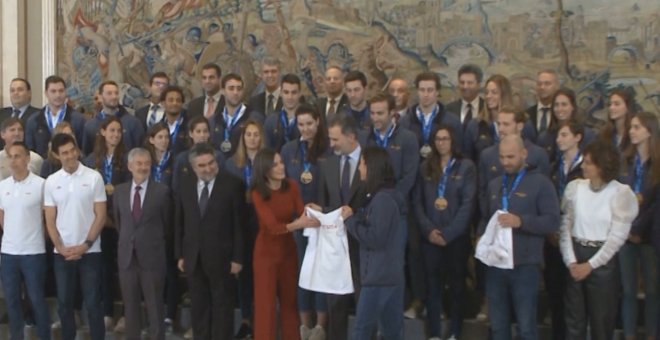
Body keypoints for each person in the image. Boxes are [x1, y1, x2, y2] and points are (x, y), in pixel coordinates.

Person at [479, 135, 560, 340]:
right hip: (496, 266)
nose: (505, 162)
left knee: (526, 327)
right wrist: (482, 239)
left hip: (525, 266)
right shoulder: (495, 185)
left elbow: (552, 221)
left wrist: (521, 221)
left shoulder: (541, 183)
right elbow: (487, 218)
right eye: (502, 157)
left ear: (524, 154)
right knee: (497, 326)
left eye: (511, 157)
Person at [559, 140, 638, 340]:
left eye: (588, 163)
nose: (583, 166)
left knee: (601, 323)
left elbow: (616, 238)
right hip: (576, 255)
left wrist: (591, 265)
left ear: (602, 166)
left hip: (602, 263)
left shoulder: (620, 193)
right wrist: (571, 261)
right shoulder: (576, 188)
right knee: (574, 322)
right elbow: (565, 227)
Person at [174, 142, 246, 339]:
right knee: (198, 307)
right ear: (193, 167)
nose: (208, 168)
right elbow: (180, 221)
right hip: (193, 257)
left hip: (223, 258)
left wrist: (238, 259)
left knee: (223, 308)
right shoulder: (185, 183)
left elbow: (240, 225)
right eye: (202, 165)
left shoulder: (233, 184)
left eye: (211, 163)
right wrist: (180, 254)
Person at [413, 125, 476, 339]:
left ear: (453, 141)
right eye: (437, 139)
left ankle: (455, 333)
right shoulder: (425, 167)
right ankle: (434, 333)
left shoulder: (465, 167)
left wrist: (448, 234)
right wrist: (430, 231)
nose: (441, 143)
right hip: (430, 238)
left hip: (455, 239)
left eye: (445, 138)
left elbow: (467, 205)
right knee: (432, 287)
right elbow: (418, 203)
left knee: (457, 286)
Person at [251, 148, 321, 340]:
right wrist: (298, 224)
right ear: (264, 168)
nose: (281, 167)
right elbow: (272, 227)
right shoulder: (257, 192)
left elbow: (300, 211)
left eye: (281, 162)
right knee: (266, 306)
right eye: (275, 164)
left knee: (290, 303)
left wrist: (315, 213)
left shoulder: (291, 185)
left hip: (288, 251)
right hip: (266, 254)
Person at [43, 133, 107, 340]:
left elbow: (101, 215)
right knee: (64, 304)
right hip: (62, 253)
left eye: (72, 151)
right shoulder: (51, 182)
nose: (70, 156)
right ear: (56, 155)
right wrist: (60, 247)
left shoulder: (94, 177)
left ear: (77, 150)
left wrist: (86, 244)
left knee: (93, 303)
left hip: (90, 251)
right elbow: (50, 220)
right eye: (64, 153)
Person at [339, 146, 405, 340]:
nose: (359, 169)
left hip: (378, 277)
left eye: (361, 164)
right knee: (391, 333)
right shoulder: (383, 197)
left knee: (362, 332)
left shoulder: (383, 199)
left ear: (371, 167)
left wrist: (350, 221)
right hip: (388, 276)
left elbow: (375, 238)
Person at [315, 114, 368, 340]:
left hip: (363, 241)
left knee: (364, 300)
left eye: (336, 139)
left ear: (351, 136)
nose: (331, 144)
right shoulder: (328, 164)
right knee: (335, 303)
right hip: (335, 244)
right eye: (330, 139)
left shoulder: (371, 161)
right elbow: (325, 203)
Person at [280, 104, 330, 339]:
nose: (305, 128)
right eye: (301, 124)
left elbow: (332, 185)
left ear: (318, 121)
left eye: (309, 123)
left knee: (320, 271)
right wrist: (297, 215)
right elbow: (283, 185)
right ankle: (304, 327)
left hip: (323, 221)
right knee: (302, 270)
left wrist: (322, 212)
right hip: (298, 220)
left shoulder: (328, 149)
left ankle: (320, 327)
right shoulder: (289, 149)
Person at [113, 147, 173, 340]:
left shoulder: (162, 191)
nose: (143, 167)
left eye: (147, 163)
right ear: (130, 166)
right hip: (127, 259)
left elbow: (167, 224)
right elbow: (119, 222)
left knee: (155, 308)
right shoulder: (120, 192)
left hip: (152, 258)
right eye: (139, 163)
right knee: (130, 309)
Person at [82, 115, 130, 331]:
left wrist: (117, 217)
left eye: (119, 131)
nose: (115, 135)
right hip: (101, 222)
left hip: (123, 222)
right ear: (102, 132)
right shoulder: (92, 160)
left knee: (127, 268)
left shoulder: (128, 157)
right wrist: (103, 217)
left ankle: (128, 315)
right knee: (105, 269)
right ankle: (108, 312)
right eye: (111, 130)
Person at [0, 142, 51, 340]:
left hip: (33, 252)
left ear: (28, 158)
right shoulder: (2, 186)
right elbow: (2, 216)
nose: (14, 161)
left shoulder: (41, 184)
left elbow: (48, 217)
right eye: (10, 157)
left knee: (37, 299)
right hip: (9, 253)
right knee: (12, 301)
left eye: (18, 156)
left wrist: (38, 237)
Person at [619, 111, 659, 340]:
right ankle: (629, 334)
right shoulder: (626, 162)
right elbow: (619, 198)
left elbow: (655, 205)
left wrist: (638, 229)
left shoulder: (657, 164)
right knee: (628, 291)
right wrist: (627, 229)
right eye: (631, 127)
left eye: (636, 127)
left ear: (649, 131)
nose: (632, 131)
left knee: (653, 291)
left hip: (649, 236)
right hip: (625, 235)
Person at [224, 119, 265, 339]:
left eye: (256, 134)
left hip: (263, 221)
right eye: (248, 134)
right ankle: (247, 320)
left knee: (262, 271)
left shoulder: (268, 161)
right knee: (244, 273)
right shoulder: (232, 163)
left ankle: (263, 318)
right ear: (243, 137)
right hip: (240, 221)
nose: (252, 138)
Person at [545, 120, 584, 340]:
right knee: (555, 292)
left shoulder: (586, 167)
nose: (560, 140)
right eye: (558, 136)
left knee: (574, 296)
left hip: (576, 237)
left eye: (564, 135)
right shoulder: (553, 167)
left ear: (577, 137)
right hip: (553, 237)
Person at [143, 123, 177, 331]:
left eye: (166, 136)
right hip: (147, 221)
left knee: (170, 271)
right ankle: (152, 316)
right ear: (151, 139)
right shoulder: (144, 162)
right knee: (148, 272)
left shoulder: (175, 160)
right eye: (160, 137)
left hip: (169, 220)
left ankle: (170, 315)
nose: (164, 140)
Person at [464, 74, 536, 162]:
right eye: (486, 92)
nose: (488, 96)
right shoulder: (475, 125)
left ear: (504, 94)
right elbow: (468, 160)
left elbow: (531, 152)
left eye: (494, 92)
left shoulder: (523, 122)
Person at [400, 71, 462, 159]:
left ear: (437, 92)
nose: (425, 94)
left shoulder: (452, 121)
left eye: (430, 90)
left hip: (441, 170)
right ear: (417, 91)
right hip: (414, 170)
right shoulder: (404, 122)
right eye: (422, 90)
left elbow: (458, 153)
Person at [25, 76, 86, 158]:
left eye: (61, 91)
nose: (58, 95)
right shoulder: (33, 120)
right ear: (46, 93)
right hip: (41, 168)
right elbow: (30, 151)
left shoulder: (79, 119)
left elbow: (83, 149)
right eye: (53, 91)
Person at [82, 81, 144, 155]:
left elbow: (140, 151)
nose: (114, 97)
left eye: (116, 93)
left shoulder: (133, 122)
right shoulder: (90, 126)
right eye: (109, 93)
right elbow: (88, 154)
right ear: (101, 97)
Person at [210, 73, 264, 158]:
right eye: (231, 88)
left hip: (244, 166)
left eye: (239, 89)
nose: (235, 92)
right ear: (222, 91)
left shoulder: (254, 117)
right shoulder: (214, 119)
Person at [536, 88, 596, 162]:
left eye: (564, 104)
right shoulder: (544, 137)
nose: (559, 109)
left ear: (572, 107)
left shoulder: (587, 135)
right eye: (556, 105)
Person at [171, 116, 225, 193]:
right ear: (191, 134)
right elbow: (176, 187)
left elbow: (223, 184)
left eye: (205, 131)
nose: (202, 135)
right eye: (198, 131)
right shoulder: (181, 159)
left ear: (209, 134)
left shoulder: (218, 157)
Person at [263, 74, 303, 151]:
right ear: (280, 93)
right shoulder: (271, 120)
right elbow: (266, 151)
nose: (290, 97)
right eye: (286, 92)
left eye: (294, 92)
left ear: (300, 94)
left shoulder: (308, 119)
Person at [0, 78, 40, 149]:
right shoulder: (1, 114)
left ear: (29, 93)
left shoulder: (39, 115)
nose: (16, 93)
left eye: (20, 90)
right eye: (12, 90)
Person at [445, 64, 484, 130]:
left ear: (479, 85)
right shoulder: (448, 110)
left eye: (470, 83)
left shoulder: (486, 108)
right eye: (462, 82)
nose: (465, 86)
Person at [526, 70, 561, 136]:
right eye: (539, 84)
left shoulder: (562, 113)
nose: (542, 87)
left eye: (547, 84)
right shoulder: (527, 114)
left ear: (557, 86)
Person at [160, 86, 191, 157]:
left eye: (178, 100)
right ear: (163, 103)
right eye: (171, 100)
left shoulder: (191, 125)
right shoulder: (158, 127)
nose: (175, 103)